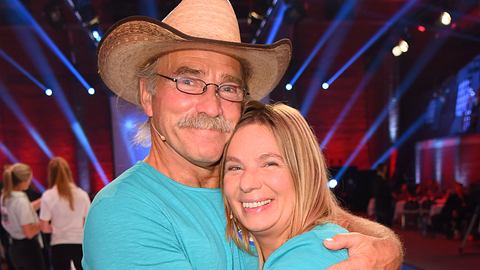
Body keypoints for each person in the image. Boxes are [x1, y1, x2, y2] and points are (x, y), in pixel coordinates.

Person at [83, 0, 403, 269]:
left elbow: (323, 218)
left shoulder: (242, 186)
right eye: (189, 81)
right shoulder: (124, 211)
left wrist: (387, 248)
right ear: (148, 95)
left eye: (228, 87)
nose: (211, 105)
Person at [221, 101, 349, 269]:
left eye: (269, 164)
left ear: (304, 172)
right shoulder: (245, 256)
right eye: (235, 167)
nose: (247, 183)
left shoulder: (316, 255)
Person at [39, 157, 91, 270]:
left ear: (50, 174)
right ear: (68, 172)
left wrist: (57, 229)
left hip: (59, 244)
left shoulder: (48, 195)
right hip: (80, 243)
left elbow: (43, 227)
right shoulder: (82, 194)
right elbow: (88, 222)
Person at [1, 163, 46, 270]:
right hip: (28, 249)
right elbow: (29, 232)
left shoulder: (5, 196)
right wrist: (42, 223)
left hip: (14, 249)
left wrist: (43, 200)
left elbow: (21, 211)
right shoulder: (21, 201)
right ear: (24, 180)